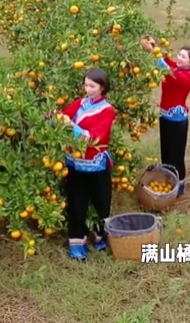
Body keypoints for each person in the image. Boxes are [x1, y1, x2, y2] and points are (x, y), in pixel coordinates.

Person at [49, 68, 117, 261]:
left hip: (96, 165)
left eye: (92, 86)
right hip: (75, 163)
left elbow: (96, 137)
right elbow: (63, 115)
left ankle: (100, 237)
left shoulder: (107, 110)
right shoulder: (80, 103)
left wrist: (73, 127)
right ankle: (77, 243)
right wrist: (53, 119)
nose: (87, 89)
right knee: (77, 203)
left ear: (102, 88)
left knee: (101, 203)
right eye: (86, 84)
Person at [139, 36, 190, 197]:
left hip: (178, 121)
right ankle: (169, 180)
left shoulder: (186, 77)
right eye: (179, 55)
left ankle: (179, 185)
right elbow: (167, 61)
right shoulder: (177, 68)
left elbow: (165, 69)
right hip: (165, 116)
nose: (178, 58)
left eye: (183, 57)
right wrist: (155, 47)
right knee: (165, 151)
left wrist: (154, 53)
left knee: (176, 155)